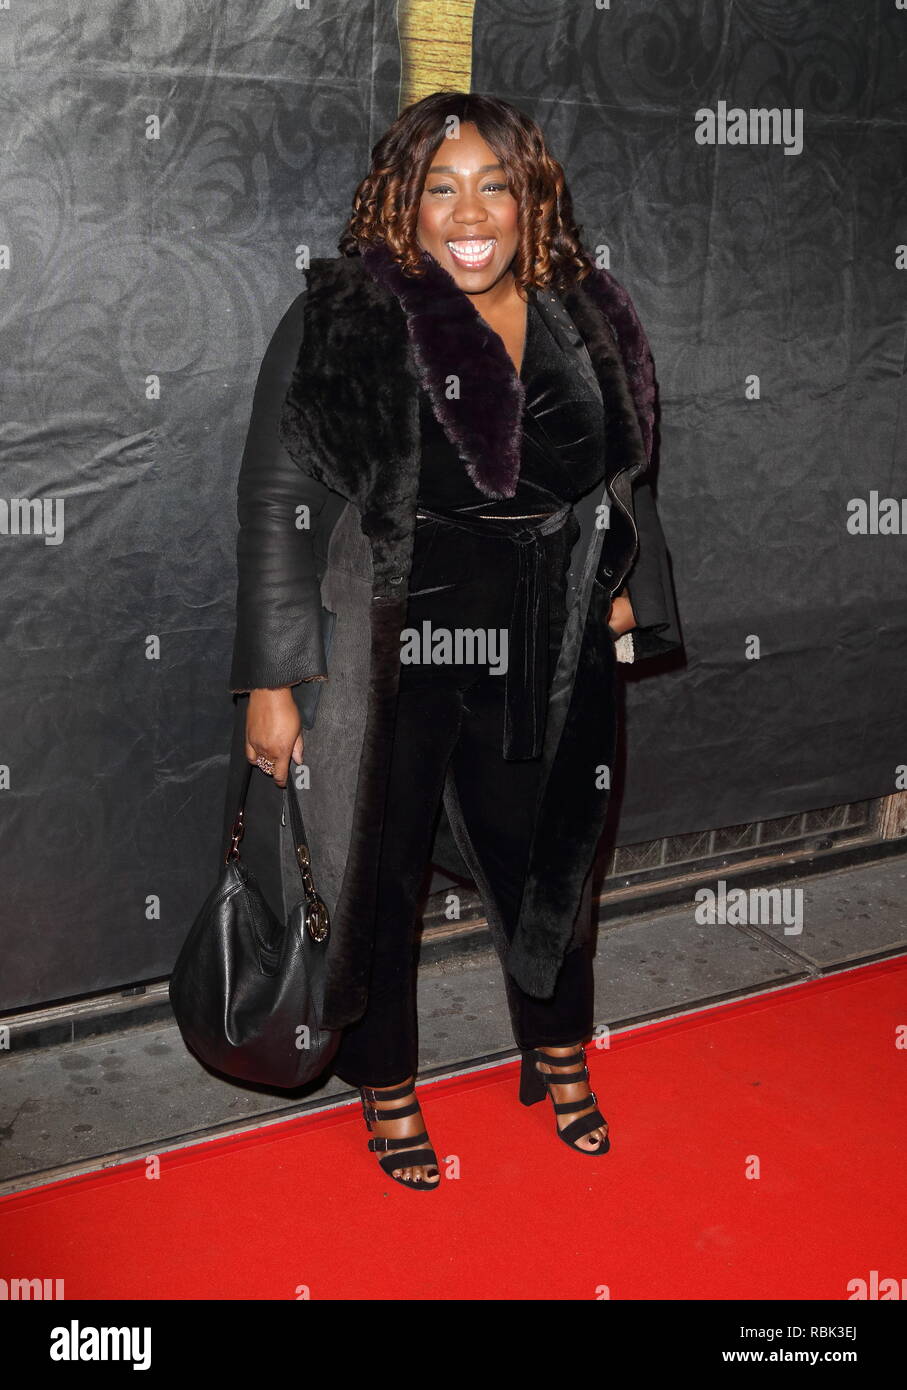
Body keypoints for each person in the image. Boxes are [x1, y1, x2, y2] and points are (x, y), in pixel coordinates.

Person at [226, 91, 683, 1191]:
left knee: (556, 855)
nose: (468, 211)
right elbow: (276, 499)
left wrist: (623, 587)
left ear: (531, 200)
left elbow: (627, 474)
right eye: (440, 186)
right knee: (373, 867)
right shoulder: (346, 315)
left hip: (549, 627)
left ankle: (557, 1047)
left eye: (494, 184)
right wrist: (272, 681)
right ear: (403, 202)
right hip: (388, 629)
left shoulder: (587, 310)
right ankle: (385, 1083)